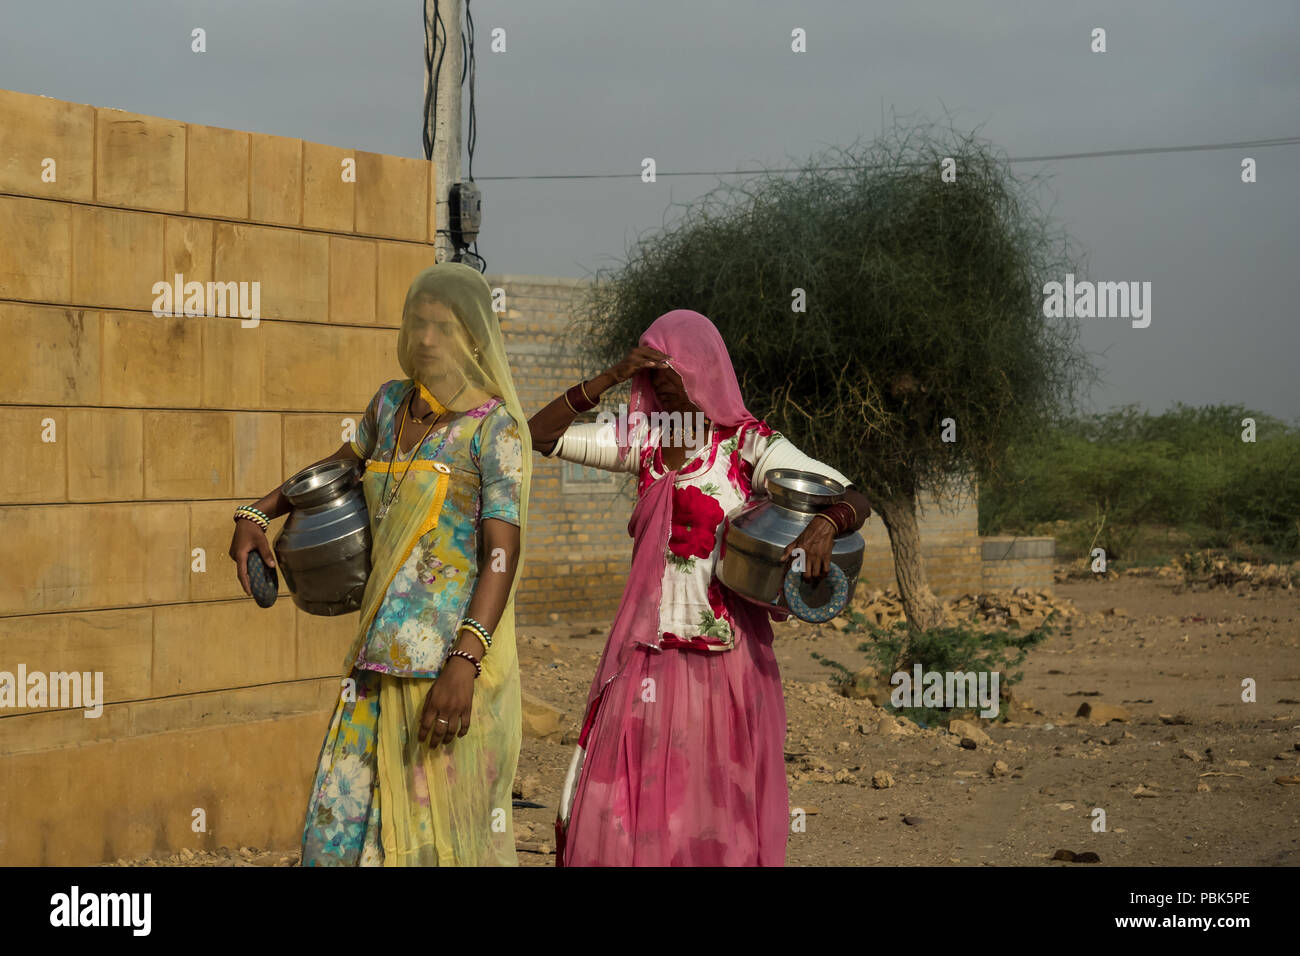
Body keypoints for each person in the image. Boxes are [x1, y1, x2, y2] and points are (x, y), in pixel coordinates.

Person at [528, 309, 870, 866]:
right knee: (631, 804)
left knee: (713, 803)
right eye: (653, 372)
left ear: (703, 369)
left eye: (672, 369)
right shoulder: (643, 443)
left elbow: (853, 496)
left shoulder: (747, 446)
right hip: (646, 654)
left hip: (724, 657)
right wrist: (610, 377)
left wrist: (828, 524)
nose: (661, 381)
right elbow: (539, 436)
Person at [229, 263, 531, 866]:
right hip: (375, 658)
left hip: (445, 672)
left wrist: (464, 664)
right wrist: (257, 513)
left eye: (442, 327)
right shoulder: (392, 404)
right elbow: (338, 468)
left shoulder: (494, 430)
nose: (425, 339)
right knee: (343, 831)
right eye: (417, 324)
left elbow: (503, 552)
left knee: (433, 842)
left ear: (473, 336)